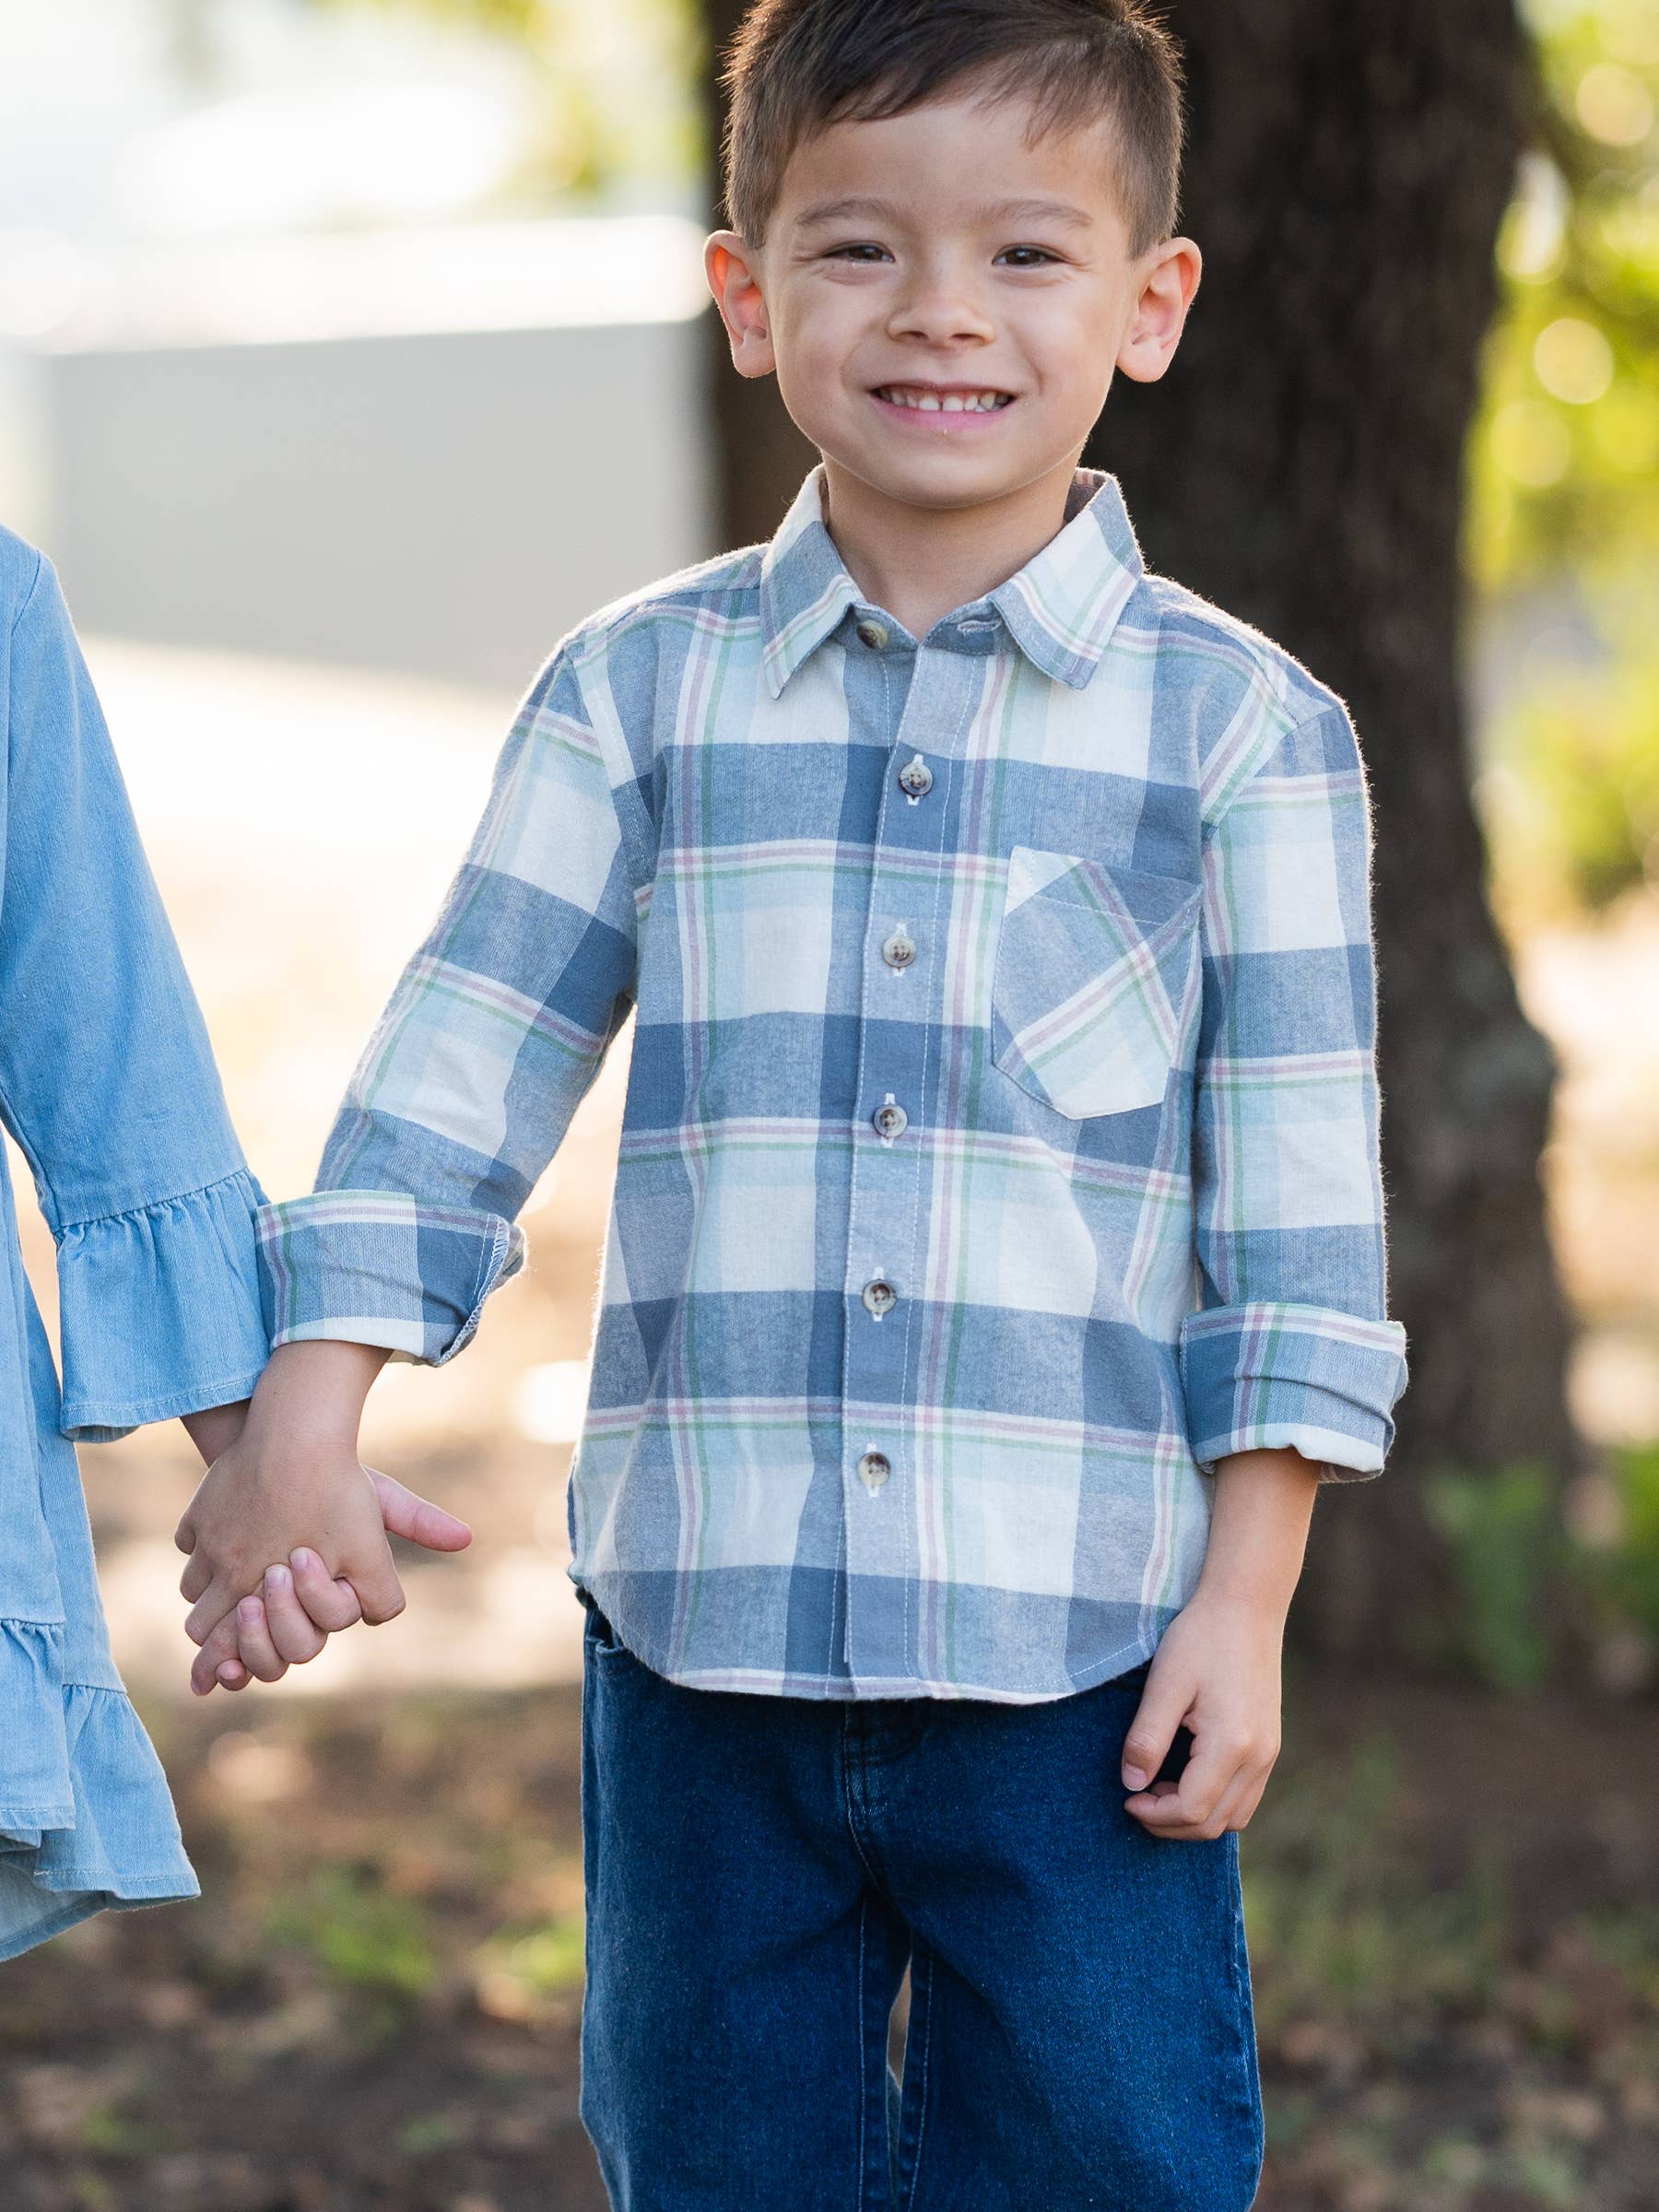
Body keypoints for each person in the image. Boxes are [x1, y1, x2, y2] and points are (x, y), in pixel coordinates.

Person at [177, 1, 1408, 2202]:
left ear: (1151, 305)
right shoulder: (636, 693)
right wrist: (308, 1411)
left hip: (1080, 1669)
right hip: (703, 1651)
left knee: (1109, 2171)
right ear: (746, 298)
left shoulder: (1246, 737)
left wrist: (1248, 1601)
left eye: (1028, 256)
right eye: (858, 249)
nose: (942, 310)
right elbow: (458, 1069)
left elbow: (1299, 1222)